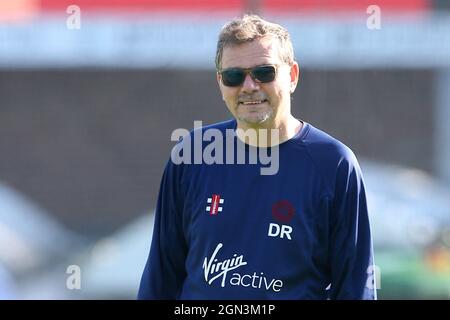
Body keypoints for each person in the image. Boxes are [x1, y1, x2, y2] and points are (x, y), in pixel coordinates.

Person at [138, 14, 377, 300]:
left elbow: (355, 288)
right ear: (220, 82)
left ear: (292, 76)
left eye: (264, 72)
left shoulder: (334, 164)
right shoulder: (192, 155)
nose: (249, 86)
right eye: (234, 76)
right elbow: (160, 278)